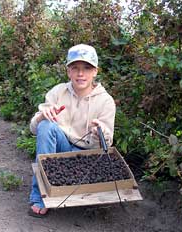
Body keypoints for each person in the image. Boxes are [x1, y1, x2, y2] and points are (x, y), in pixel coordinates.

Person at [28, 44, 116, 217]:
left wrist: (100, 131)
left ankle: (82, 190)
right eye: (75, 68)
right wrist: (41, 117)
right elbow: (33, 128)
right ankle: (39, 197)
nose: (80, 74)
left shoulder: (105, 101)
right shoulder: (58, 92)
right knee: (46, 126)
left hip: (87, 156)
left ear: (95, 71)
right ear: (68, 71)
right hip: (62, 149)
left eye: (86, 68)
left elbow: (108, 141)